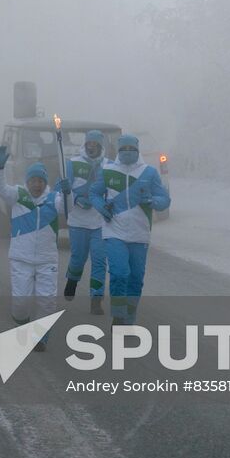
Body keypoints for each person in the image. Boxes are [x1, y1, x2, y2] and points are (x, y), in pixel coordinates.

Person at [91, 134, 170, 325]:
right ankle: (118, 315)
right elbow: (94, 193)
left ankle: (129, 317)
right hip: (114, 230)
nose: (127, 152)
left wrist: (153, 201)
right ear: (118, 151)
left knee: (135, 278)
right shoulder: (108, 170)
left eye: (131, 149)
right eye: (124, 149)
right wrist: (102, 207)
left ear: (137, 150)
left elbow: (165, 200)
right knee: (119, 273)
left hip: (139, 232)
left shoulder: (149, 172)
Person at [0, 147, 60, 351]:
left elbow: (70, 207)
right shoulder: (18, 195)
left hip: (47, 260)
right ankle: (24, 325)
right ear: (27, 181)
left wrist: (68, 192)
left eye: (40, 181)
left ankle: (40, 337)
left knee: (47, 302)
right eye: (33, 181)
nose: (36, 185)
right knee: (21, 304)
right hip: (21, 259)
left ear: (45, 183)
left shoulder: (54, 199)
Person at [57, 130, 108, 315]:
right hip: (78, 220)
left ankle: (96, 298)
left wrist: (104, 204)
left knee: (100, 261)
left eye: (96, 145)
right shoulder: (73, 163)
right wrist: (76, 197)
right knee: (78, 258)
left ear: (101, 146)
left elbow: (111, 191)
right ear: (85, 145)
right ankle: (72, 280)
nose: (92, 147)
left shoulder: (108, 165)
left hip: (100, 221)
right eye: (89, 144)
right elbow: (61, 187)